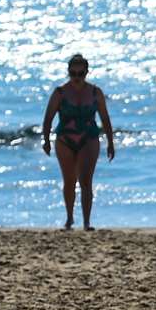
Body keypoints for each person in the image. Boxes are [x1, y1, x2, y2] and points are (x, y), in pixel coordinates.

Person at [41, 53, 115, 230]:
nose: (76, 78)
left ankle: (87, 221)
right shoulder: (60, 93)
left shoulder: (95, 93)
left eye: (80, 74)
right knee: (69, 181)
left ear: (86, 73)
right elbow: (48, 118)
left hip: (88, 139)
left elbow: (105, 119)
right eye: (73, 74)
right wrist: (46, 140)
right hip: (65, 139)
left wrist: (111, 142)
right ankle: (69, 218)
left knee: (86, 182)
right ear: (68, 73)